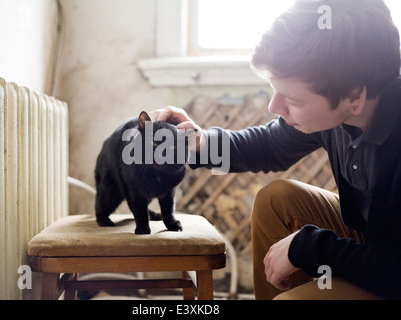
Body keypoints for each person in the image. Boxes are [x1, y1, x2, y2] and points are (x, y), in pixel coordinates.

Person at [149, 0, 401, 300]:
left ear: (354, 96)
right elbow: (268, 145)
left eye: (291, 99)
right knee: (277, 200)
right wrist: (197, 142)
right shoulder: (338, 110)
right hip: (377, 243)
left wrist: (309, 246)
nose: (274, 107)